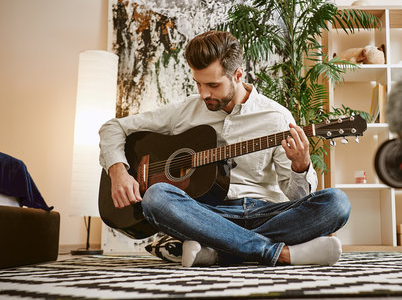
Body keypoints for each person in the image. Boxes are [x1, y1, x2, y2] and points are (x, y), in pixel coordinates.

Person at [99, 30, 351, 267]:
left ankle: (217, 249)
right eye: (198, 83)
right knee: (156, 197)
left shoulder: (276, 117)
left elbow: (298, 198)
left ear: (238, 74)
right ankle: (277, 253)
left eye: (213, 85)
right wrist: (118, 171)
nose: (204, 93)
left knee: (336, 203)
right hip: (206, 214)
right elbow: (113, 127)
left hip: (266, 212)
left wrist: (300, 165)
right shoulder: (186, 110)